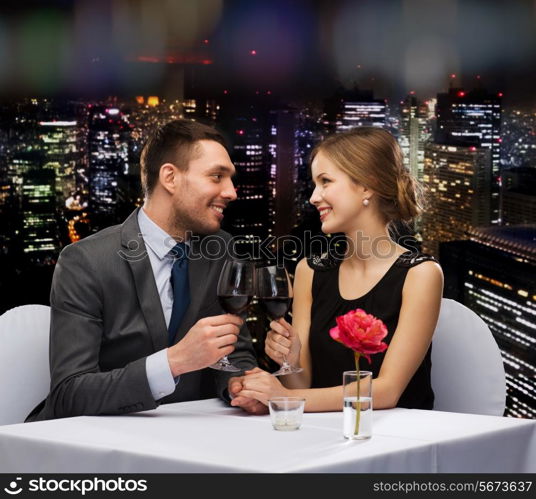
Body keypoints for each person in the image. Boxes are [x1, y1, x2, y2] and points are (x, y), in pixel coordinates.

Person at [27, 119, 265, 421]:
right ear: (170, 177)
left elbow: (235, 354)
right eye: (217, 176)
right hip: (97, 446)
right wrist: (173, 362)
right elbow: (69, 393)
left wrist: (239, 384)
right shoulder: (85, 261)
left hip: (193, 439)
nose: (231, 192)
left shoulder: (221, 249)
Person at [232, 127, 443, 412]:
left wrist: (282, 397)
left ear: (368, 185)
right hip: (327, 434)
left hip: (396, 440)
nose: (314, 197)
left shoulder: (421, 275)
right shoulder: (310, 270)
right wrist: (290, 361)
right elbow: (302, 384)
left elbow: (387, 391)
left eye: (326, 182)